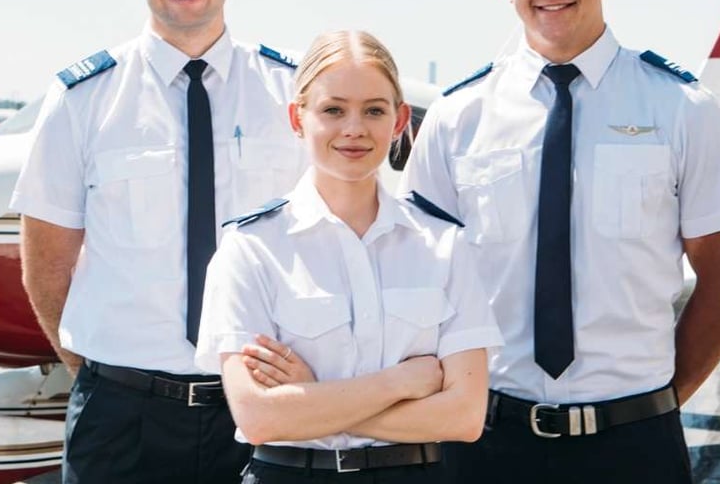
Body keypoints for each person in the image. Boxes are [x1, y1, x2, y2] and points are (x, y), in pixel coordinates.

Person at [399, 0, 720, 482]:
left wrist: (653, 405)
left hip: (633, 444)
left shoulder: (682, 109)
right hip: (485, 441)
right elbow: (418, 281)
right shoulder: (457, 118)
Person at [8, 0, 306, 481]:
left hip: (262, 407)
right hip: (121, 415)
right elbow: (47, 263)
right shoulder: (83, 97)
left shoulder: (291, 92)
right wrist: (95, 373)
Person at [194, 30, 504, 483]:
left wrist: (312, 398)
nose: (354, 129)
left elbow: (463, 416)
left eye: (374, 111)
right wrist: (396, 386)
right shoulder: (252, 249)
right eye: (333, 110)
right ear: (297, 119)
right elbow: (259, 418)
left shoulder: (443, 246)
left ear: (399, 122)